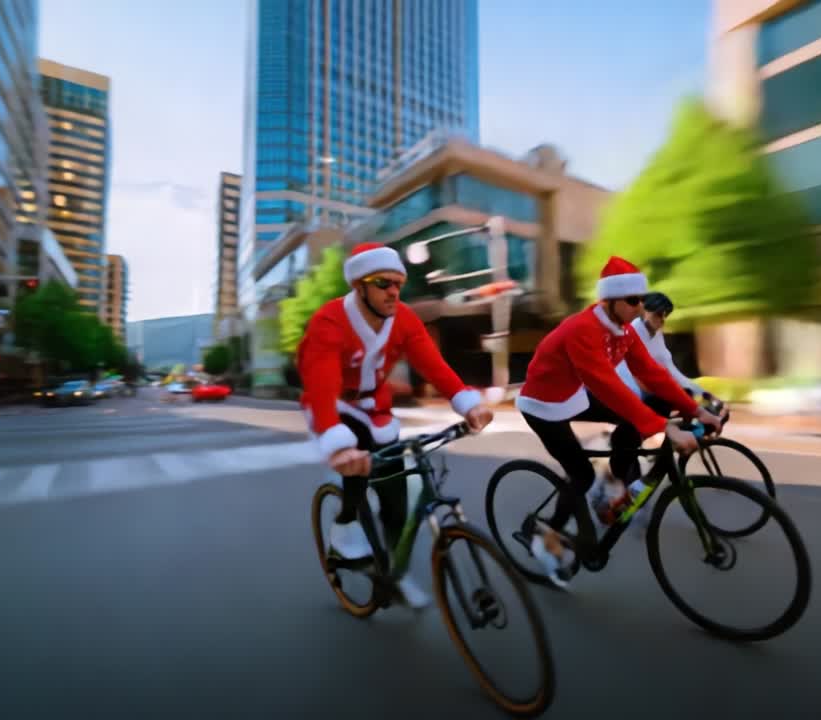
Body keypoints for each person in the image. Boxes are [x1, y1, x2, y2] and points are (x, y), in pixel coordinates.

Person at [296, 242, 494, 608]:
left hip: (377, 410)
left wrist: (467, 404)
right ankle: (344, 536)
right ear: (359, 286)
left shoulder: (403, 319)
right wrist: (338, 444)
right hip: (335, 408)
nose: (393, 291)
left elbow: (434, 366)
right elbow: (321, 386)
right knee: (355, 473)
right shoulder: (329, 322)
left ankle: (392, 571)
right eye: (382, 283)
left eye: (398, 284)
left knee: (397, 501)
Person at [515, 256, 723, 587]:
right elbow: (607, 386)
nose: (640, 308)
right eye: (632, 300)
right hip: (543, 405)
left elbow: (652, 374)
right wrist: (662, 426)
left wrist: (696, 410)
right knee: (580, 475)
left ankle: (618, 485)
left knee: (634, 423)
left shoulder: (623, 331)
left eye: (642, 300)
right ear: (609, 300)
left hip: (575, 394)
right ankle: (547, 535)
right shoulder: (582, 329)